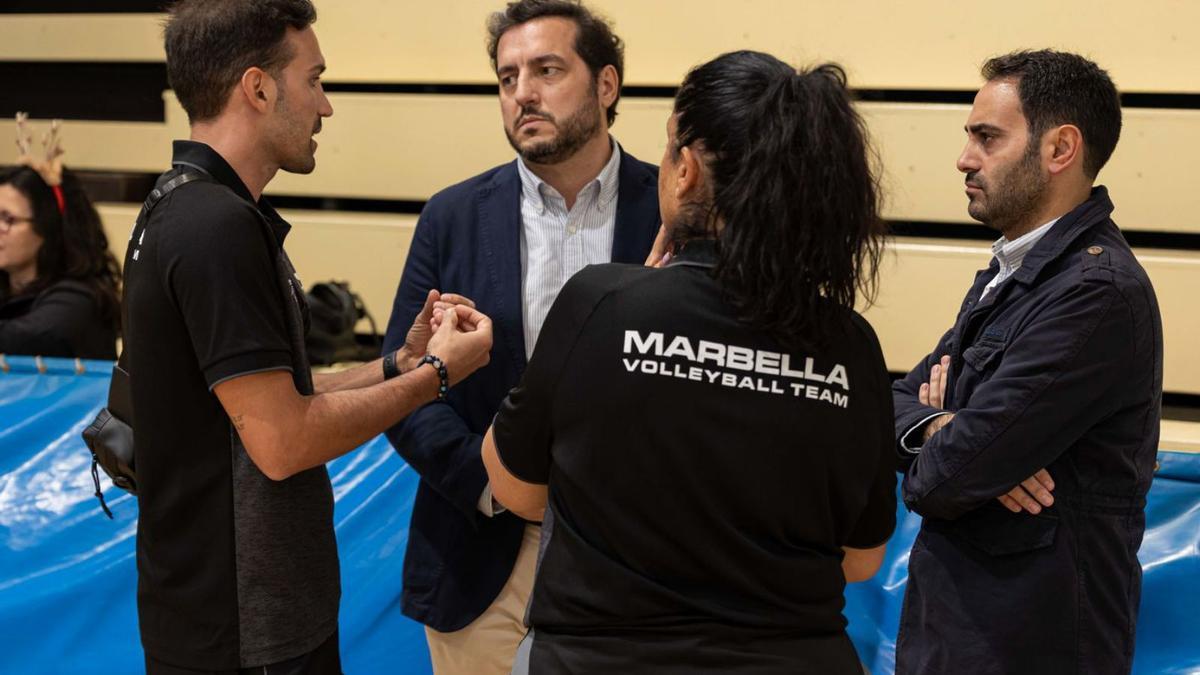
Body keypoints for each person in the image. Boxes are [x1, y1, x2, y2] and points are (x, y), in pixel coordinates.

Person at [476, 50, 896, 673]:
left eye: (670, 148)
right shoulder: (852, 344)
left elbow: (512, 484)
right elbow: (861, 559)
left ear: (689, 171)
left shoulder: (601, 301)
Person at [125, 1, 492, 673]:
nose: (325, 106)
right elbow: (284, 439)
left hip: (224, 617)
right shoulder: (216, 228)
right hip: (243, 632)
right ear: (259, 88)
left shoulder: (182, 203)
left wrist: (399, 362)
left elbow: (263, 399)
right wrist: (434, 377)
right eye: (315, 79)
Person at [380, 1, 660, 671]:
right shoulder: (452, 216)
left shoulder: (670, 210)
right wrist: (491, 481)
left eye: (547, 70)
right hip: (481, 558)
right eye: (507, 78)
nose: (522, 94)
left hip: (636, 562)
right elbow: (403, 378)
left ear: (607, 84)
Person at [891, 50, 1162, 675]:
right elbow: (894, 404)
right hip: (957, 635)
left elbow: (944, 481)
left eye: (987, 138)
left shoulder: (1096, 295)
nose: (964, 158)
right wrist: (944, 426)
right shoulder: (1016, 273)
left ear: (1060, 148)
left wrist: (962, 443)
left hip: (1027, 645)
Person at [0, 117, 120, 360]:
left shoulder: (79, 301)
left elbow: (28, 338)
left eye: (8, 219)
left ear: (47, 228)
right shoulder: (7, 287)